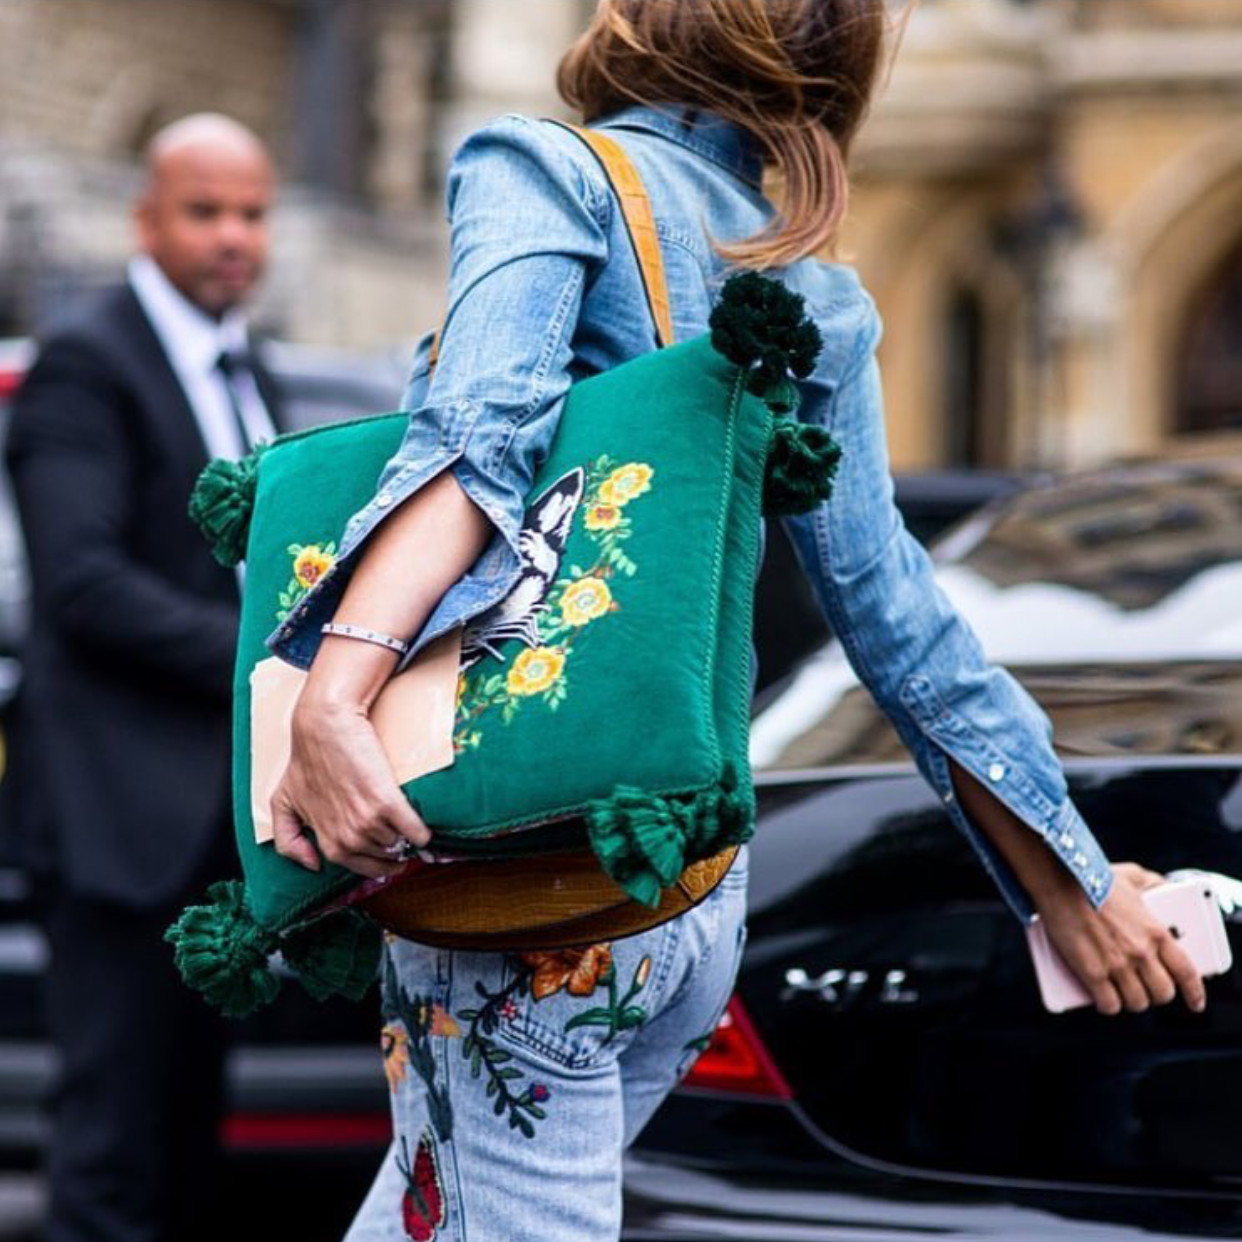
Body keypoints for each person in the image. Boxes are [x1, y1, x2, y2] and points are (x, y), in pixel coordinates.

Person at [265, 3, 1207, 1238]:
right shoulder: (810, 283)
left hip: (536, 875)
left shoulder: (542, 167)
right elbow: (897, 616)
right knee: (428, 1211)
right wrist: (1067, 877)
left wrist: (331, 702)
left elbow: (476, 441)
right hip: (693, 890)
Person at [5, 113, 282, 1242]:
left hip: (218, 824)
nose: (234, 237)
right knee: (109, 1155)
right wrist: (278, 666)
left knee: (186, 1146)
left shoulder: (248, 364)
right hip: (118, 820)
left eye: (253, 213)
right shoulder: (88, 361)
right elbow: (84, 586)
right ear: (146, 219)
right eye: (205, 212)